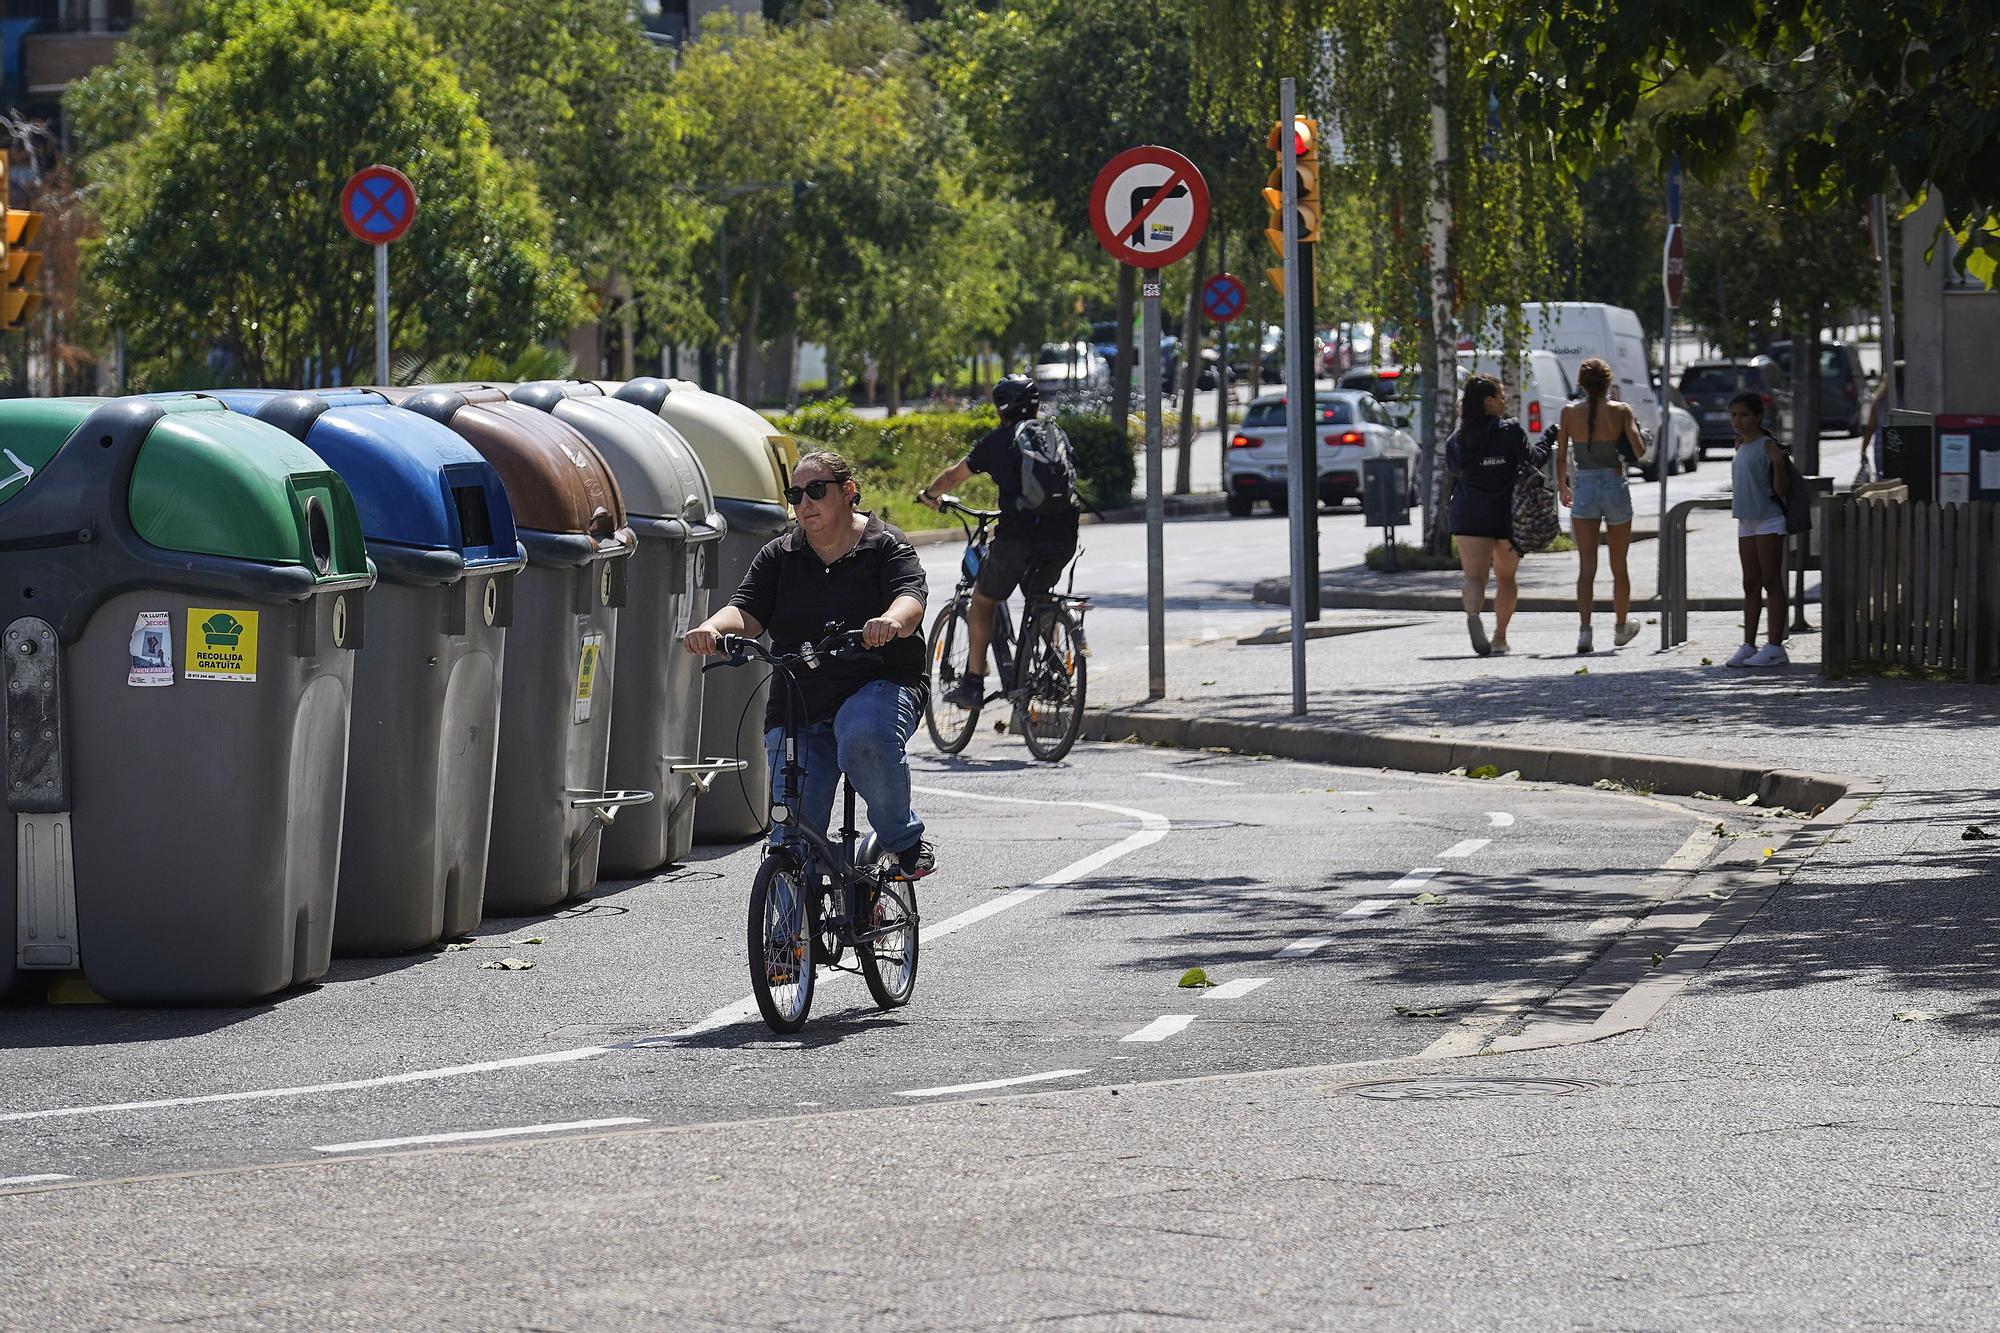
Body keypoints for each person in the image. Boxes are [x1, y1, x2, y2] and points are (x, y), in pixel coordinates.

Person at [682, 450, 935, 879]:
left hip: (878, 683)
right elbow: (746, 610)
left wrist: (891, 620)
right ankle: (788, 939)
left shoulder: (885, 544)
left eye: (816, 491)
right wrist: (711, 628)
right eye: (795, 494)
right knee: (790, 839)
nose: (805, 503)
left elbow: (910, 596)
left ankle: (903, 841)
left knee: (864, 734)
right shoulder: (780, 554)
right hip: (799, 698)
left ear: (848, 493)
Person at [918, 373, 1081, 706]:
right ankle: (1052, 671)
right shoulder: (1054, 435)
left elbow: (954, 475)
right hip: (1064, 536)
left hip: (1019, 538)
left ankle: (974, 683)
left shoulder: (1000, 439)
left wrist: (929, 494)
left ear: (1001, 407)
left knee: (983, 599)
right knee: (1040, 597)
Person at [1555, 356, 1649, 654]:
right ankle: (1621, 628)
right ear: (1609, 383)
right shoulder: (1621, 411)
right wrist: (1632, 428)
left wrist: (1563, 486)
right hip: (1613, 481)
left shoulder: (1569, 413)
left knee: (1587, 566)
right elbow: (1639, 450)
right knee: (1619, 564)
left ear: (1581, 384)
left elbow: (1560, 458)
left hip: (1584, 484)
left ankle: (1585, 632)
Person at [1446, 375, 1544, 657]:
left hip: (1469, 514)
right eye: (1502, 395)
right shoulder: (1509, 430)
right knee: (1506, 577)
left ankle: (1473, 615)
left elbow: (1454, 471)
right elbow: (1533, 460)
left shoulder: (1457, 439)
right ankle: (1500, 637)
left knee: (1474, 577)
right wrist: (1549, 437)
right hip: (1505, 514)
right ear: (1489, 401)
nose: (1504, 400)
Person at [1726, 391, 1792, 668]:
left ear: (1757, 417)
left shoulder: (1767, 446)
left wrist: (1778, 463)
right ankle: (1748, 644)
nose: (1737, 421)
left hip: (1768, 519)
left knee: (1771, 581)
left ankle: (1775, 645)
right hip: (1746, 521)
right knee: (1750, 583)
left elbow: (1781, 490)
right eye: (1733, 415)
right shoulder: (1740, 445)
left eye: (1743, 415)